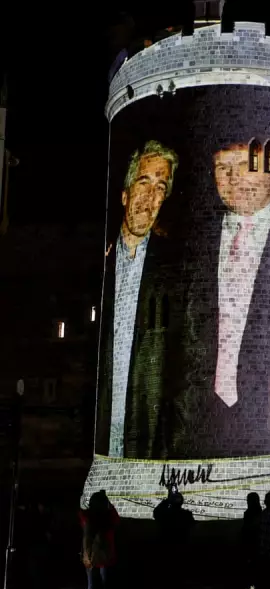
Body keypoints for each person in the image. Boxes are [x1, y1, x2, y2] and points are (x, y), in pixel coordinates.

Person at [173, 138, 270, 457]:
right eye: (223, 168)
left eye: (245, 164)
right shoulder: (190, 242)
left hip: (268, 429)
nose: (233, 178)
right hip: (194, 425)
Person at [95, 139, 180, 459]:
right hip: (99, 434)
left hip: (145, 441)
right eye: (143, 182)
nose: (150, 196)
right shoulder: (100, 265)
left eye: (160, 187)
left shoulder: (173, 273)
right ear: (125, 194)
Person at [80, 491, 120, 589]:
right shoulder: (109, 518)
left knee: (91, 588)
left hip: (91, 555)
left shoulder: (87, 517)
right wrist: (110, 505)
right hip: (106, 556)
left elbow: (81, 515)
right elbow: (116, 519)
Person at [153, 486, 195, 589]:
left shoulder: (166, 515)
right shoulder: (186, 515)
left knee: (166, 583)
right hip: (181, 554)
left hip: (167, 553)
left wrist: (167, 500)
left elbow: (156, 512)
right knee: (179, 583)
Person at [25, 500, 53, 589]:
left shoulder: (43, 519)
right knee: (38, 574)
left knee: (38, 574)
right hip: (39, 548)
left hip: (39, 548)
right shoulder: (43, 518)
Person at [242, 492, 262, 589]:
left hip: (251, 544)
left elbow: (246, 530)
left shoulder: (248, 513)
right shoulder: (261, 512)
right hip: (260, 544)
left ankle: (254, 588)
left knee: (252, 567)